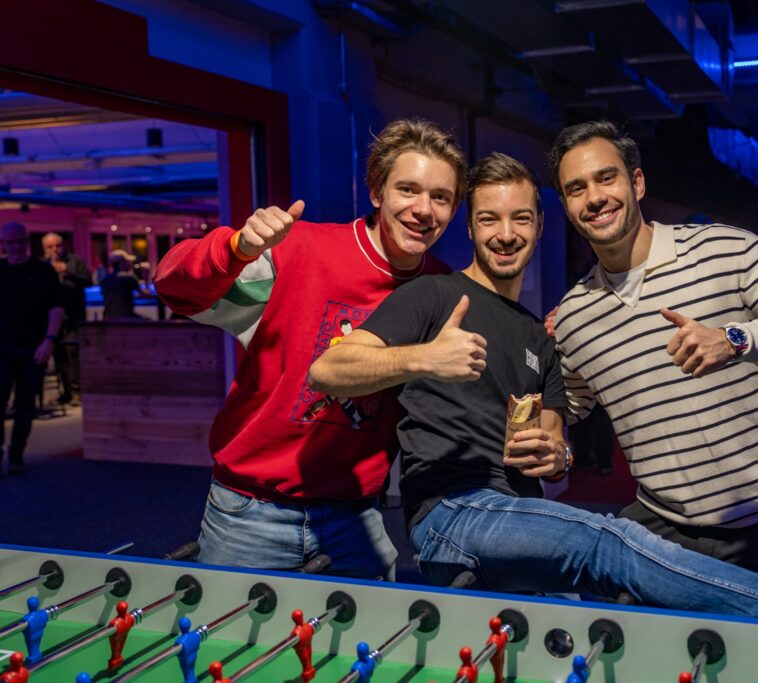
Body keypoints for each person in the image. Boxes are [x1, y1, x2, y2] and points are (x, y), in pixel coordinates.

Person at [308, 152, 758, 636]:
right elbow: (329, 369)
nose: (506, 233)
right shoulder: (434, 296)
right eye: (489, 219)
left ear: (542, 226)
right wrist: (423, 356)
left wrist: (555, 456)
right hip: (453, 511)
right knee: (609, 538)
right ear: (472, 227)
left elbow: (557, 439)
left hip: (543, 512)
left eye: (520, 218)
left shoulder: (549, 333)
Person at [154, 118, 466, 579]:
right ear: (376, 191)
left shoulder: (441, 289)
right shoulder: (298, 248)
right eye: (408, 190)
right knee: (231, 626)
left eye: (440, 197)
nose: (423, 209)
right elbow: (171, 285)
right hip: (250, 511)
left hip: (357, 517)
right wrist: (237, 248)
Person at [547, 121, 758, 577]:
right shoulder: (575, 315)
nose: (594, 197)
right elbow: (568, 403)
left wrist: (735, 339)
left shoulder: (726, 248)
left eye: (606, 178)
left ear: (636, 182)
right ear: (567, 206)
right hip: (661, 529)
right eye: (576, 188)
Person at [0, 222, 63, 476]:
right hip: (2, 347)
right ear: (4, 244)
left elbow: (56, 308)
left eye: (21, 242)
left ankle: (16, 456)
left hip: (33, 347)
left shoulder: (43, 271)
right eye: (11, 242)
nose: (16, 247)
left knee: (26, 405)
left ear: (27, 242)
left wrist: (49, 340)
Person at [41, 232, 91, 403]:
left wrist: (68, 271)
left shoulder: (75, 261)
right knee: (59, 355)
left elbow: (88, 281)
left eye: (58, 245)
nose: (55, 249)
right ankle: (66, 390)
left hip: (73, 316)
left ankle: (77, 390)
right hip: (52, 319)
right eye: (50, 247)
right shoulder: (43, 265)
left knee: (73, 354)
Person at [100, 249, 141, 319]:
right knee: (149, 322)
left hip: (108, 318)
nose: (129, 264)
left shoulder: (105, 280)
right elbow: (143, 295)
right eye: (127, 261)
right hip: (126, 318)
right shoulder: (129, 277)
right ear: (121, 263)